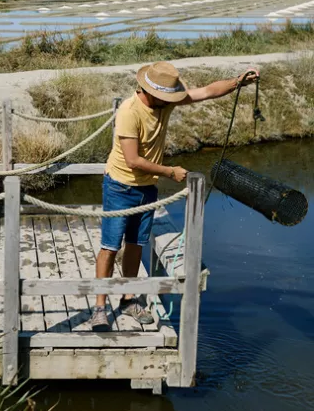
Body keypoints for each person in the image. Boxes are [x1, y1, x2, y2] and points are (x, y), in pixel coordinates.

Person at [90, 61, 259, 332]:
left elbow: (206, 91)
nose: (172, 101)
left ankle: (128, 299)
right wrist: (170, 171)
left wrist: (238, 81)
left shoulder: (164, 102)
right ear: (150, 92)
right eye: (167, 96)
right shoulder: (129, 112)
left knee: (135, 245)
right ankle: (99, 308)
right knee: (110, 247)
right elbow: (133, 160)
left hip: (147, 189)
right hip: (120, 186)